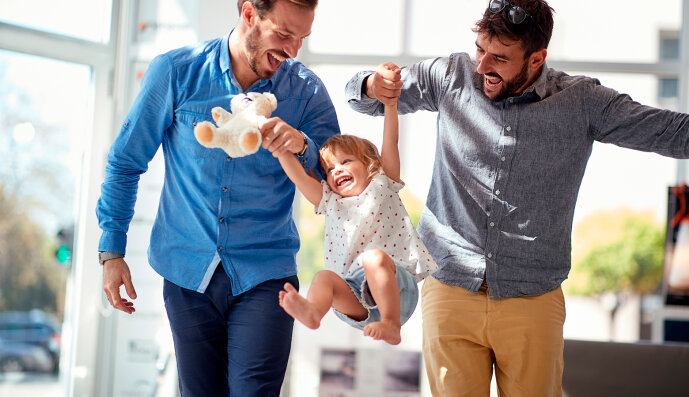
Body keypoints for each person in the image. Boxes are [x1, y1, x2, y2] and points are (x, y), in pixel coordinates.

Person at [344, 0, 689, 396]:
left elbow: (670, 132)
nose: (482, 66)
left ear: (537, 58)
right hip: (451, 288)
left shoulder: (582, 102)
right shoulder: (450, 75)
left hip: (532, 299)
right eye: (480, 50)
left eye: (499, 58)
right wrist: (373, 83)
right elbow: (362, 98)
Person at [96, 0, 339, 395]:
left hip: (267, 273)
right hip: (186, 270)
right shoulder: (176, 72)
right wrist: (111, 251)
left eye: (302, 39)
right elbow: (125, 162)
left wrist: (304, 145)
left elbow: (336, 180)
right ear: (248, 14)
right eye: (284, 35)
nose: (293, 50)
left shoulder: (306, 91)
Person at [275, 64, 437, 345]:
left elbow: (391, 140)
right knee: (324, 277)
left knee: (373, 258)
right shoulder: (331, 201)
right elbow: (300, 178)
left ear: (369, 164)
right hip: (353, 295)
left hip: (396, 287)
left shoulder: (383, 182)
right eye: (330, 169)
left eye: (346, 161)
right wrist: (280, 151)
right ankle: (314, 311)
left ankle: (390, 324)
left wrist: (390, 105)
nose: (337, 170)